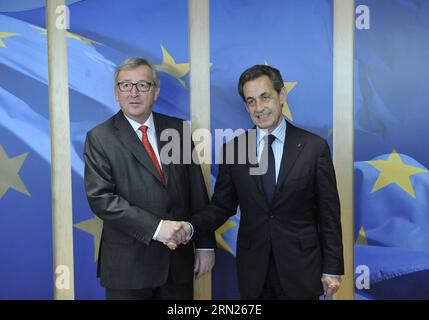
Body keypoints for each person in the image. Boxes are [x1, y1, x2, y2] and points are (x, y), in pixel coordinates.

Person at [184, 65, 344, 300]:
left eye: (265, 97)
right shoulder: (234, 149)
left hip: (301, 269)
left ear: (282, 96)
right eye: (250, 101)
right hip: (253, 271)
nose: (258, 108)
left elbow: (328, 214)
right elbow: (221, 206)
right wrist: (189, 227)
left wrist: (332, 268)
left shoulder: (314, 147)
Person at [83, 57, 215, 300]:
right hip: (128, 269)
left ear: (155, 92)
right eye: (126, 85)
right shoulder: (99, 137)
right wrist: (157, 228)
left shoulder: (177, 130)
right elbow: (101, 199)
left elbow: (196, 192)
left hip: (177, 265)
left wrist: (205, 245)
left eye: (143, 85)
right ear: (116, 92)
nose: (134, 93)